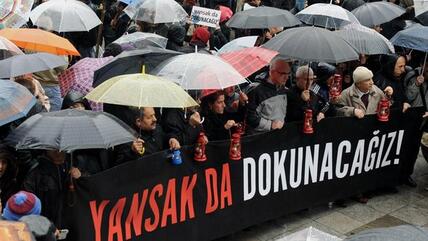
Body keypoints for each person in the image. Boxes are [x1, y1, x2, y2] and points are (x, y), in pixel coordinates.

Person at [23, 150, 79, 228]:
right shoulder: (35, 174)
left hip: (68, 227)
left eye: (61, 150)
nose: (58, 153)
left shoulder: (69, 169)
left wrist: (80, 178)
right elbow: (28, 206)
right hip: (45, 229)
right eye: (54, 149)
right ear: (46, 149)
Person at [114, 107, 181, 166]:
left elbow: (164, 138)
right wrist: (132, 152)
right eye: (150, 117)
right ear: (138, 121)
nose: (155, 119)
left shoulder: (157, 128)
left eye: (154, 115)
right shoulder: (128, 138)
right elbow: (119, 166)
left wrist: (172, 139)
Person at [246, 57, 290, 134]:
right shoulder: (256, 90)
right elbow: (250, 118)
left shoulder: (284, 89)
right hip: (260, 138)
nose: (286, 77)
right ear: (272, 72)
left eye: (288, 74)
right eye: (283, 74)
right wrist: (271, 125)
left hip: (278, 136)